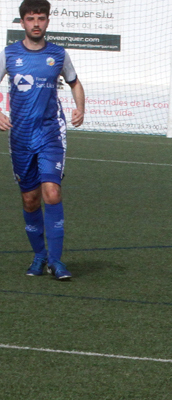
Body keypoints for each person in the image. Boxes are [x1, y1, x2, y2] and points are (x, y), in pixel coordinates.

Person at [1, 0, 85, 280]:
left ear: (47, 21)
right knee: (30, 199)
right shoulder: (9, 54)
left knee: (52, 193)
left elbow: (74, 82)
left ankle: (56, 262)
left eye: (41, 18)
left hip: (50, 132)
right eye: (30, 18)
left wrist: (80, 108)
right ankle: (39, 256)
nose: (36, 23)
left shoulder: (58, 54)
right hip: (21, 136)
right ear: (22, 22)